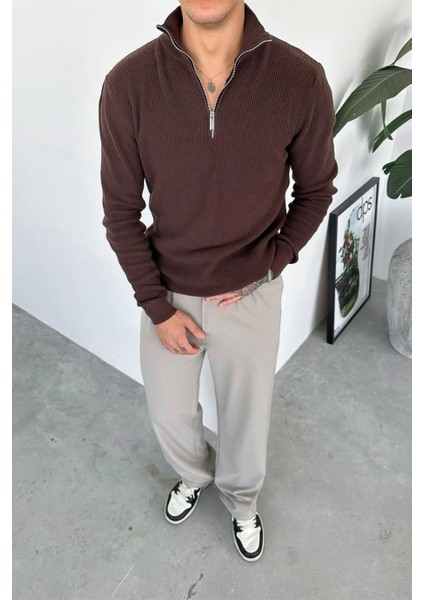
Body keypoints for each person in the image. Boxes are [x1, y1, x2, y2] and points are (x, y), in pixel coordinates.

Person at [98, 0, 337, 562]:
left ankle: (242, 501)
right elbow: (120, 212)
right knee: (169, 414)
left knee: (247, 419)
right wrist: (156, 306)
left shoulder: (300, 80)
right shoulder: (128, 84)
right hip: (167, 289)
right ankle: (193, 476)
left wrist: (274, 262)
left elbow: (316, 190)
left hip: (251, 290)